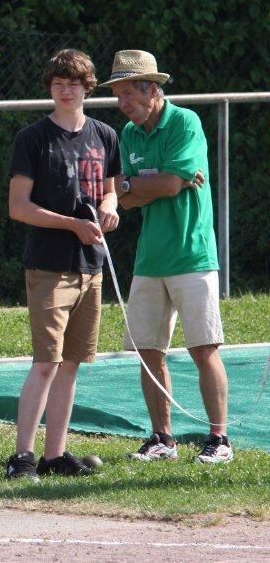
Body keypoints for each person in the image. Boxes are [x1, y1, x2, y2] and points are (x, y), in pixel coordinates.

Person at [102, 49, 232, 464]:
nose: (122, 103)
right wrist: (145, 184)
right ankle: (162, 438)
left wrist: (145, 184)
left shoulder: (184, 122)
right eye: (118, 95)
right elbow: (124, 197)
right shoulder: (128, 133)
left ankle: (220, 440)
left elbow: (170, 186)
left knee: (203, 349)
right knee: (148, 352)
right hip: (150, 258)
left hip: (192, 254)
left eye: (128, 94)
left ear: (153, 91)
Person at [5, 49, 120, 480]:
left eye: (73, 83)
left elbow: (111, 190)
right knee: (46, 363)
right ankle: (22, 456)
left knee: (71, 363)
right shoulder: (33, 138)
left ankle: (55, 455)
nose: (66, 90)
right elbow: (19, 207)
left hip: (92, 266)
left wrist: (110, 207)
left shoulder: (105, 134)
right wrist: (72, 224)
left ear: (88, 87)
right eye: (58, 83)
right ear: (50, 88)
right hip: (49, 266)